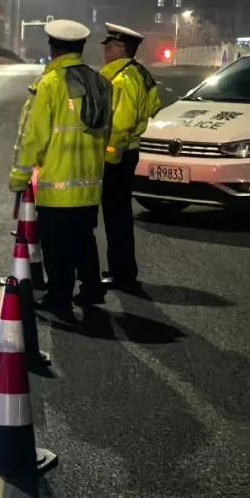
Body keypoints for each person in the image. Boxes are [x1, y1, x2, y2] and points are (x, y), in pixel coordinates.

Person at [9, 19, 112, 317]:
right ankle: (92, 289)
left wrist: (19, 177)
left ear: (53, 48)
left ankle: (60, 298)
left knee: (56, 246)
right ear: (81, 48)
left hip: (57, 183)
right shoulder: (101, 84)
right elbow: (105, 132)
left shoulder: (50, 84)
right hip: (90, 183)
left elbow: (34, 138)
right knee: (84, 237)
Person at [100, 23, 162, 295]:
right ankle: (122, 269)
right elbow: (153, 106)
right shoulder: (139, 74)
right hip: (130, 152)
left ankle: (121, 273)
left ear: (121, 48)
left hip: (119, 154)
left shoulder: (123, 79)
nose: (104, 51)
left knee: (116, 215)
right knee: (120, 214)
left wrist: (109, 158)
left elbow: (120, 126)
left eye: (109, 46)